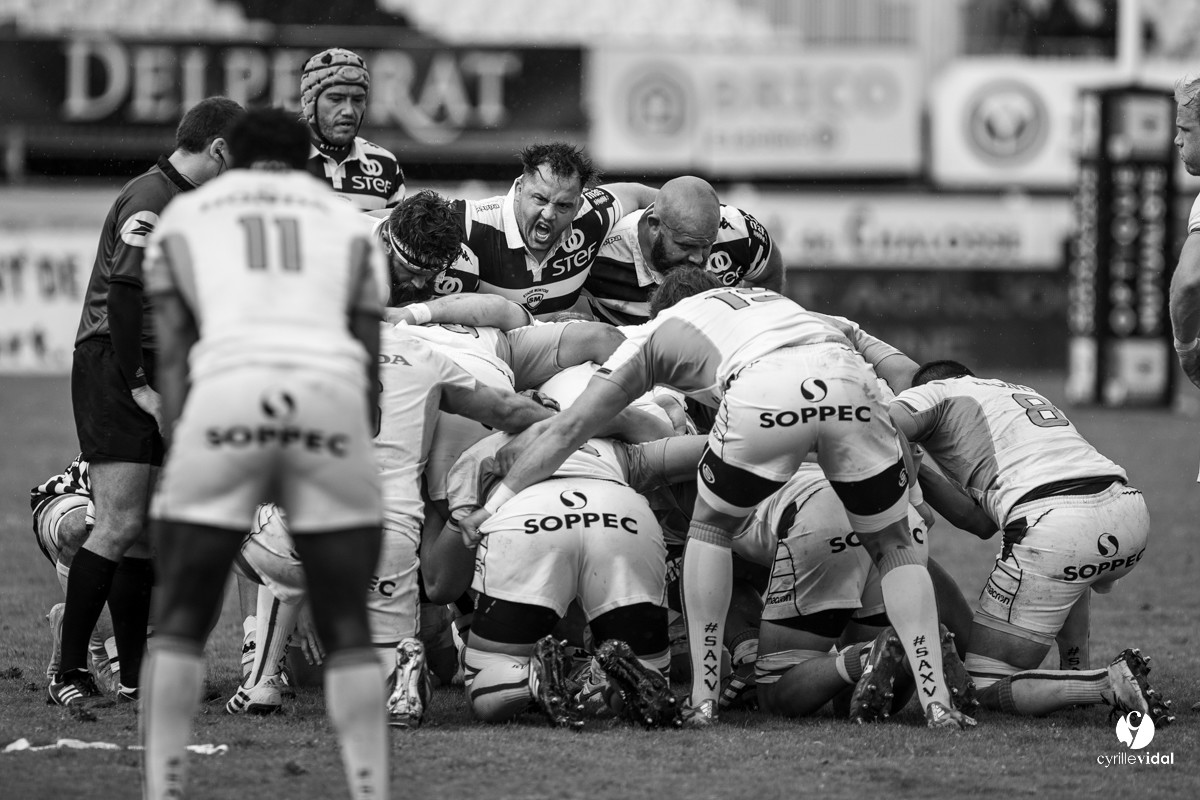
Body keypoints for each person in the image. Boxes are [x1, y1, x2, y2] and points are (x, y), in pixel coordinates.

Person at [463, 267, 974, 729]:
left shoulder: (654, 333)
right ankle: (938, 705)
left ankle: (704, 699)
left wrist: (492, 503)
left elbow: (570, 428)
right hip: (846, 386)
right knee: (895, 546)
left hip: (765, 397)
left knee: (710, 531)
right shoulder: (791, 308)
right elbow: (902, 410)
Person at [139, 107, 391, 800]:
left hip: (227, 400)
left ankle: (161, 783)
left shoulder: (187, 221)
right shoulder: (348, 225)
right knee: (346, 621)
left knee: (185, 614)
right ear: (306, 161)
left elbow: (175, 351)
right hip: (326, 404)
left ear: (235, 157)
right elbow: (367, 354)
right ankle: (369, 786)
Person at [53, 96, 245, 709]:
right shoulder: (152, 198)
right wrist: (140, 384)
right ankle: (68, 671)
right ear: (218, 148)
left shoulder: (187, 204)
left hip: (156, 366)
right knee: (119, 522)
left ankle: (135, 675)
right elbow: (126, 293)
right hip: (118, 362)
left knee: (144, 535)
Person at [889, 360, 1172, 724]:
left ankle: (1104, 683)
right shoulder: (1015, 391)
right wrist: (923, 470)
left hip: (1055, 522)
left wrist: (911, 493)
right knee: (1065, 569)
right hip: (1128, 510)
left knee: (983, 680)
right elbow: (978, 522)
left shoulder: (935, 391)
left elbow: (886, 424)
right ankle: (1076, 666)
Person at [432, 142, 656, 316]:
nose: (549, 214)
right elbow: (403, 226)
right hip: (486, 350)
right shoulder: (470, 221)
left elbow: (637, 193)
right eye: (539, 198)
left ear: (578, 204)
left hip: (553, 357)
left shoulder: (591, 213)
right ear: (519, 188)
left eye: (563, 205)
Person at [581, 178, 784, 326]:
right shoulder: (599, 249)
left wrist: (751, 323)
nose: (697, 258)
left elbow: (769, 273)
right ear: (654, 225)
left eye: (706, 246)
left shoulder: (739, 231)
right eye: (685, 246)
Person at [31, 456, 120, 693]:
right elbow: (101, 527)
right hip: (72, 497)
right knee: (81, 531)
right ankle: (104, 660)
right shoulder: (133, 442)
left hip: (130, 510)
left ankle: (71, 617)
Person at [301, 47, 405, 211]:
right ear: (309, 103)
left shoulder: (386, 164)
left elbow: (395, 236)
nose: (348, 110)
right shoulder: (282, 161)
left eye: (357, 100)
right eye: (336, 99)